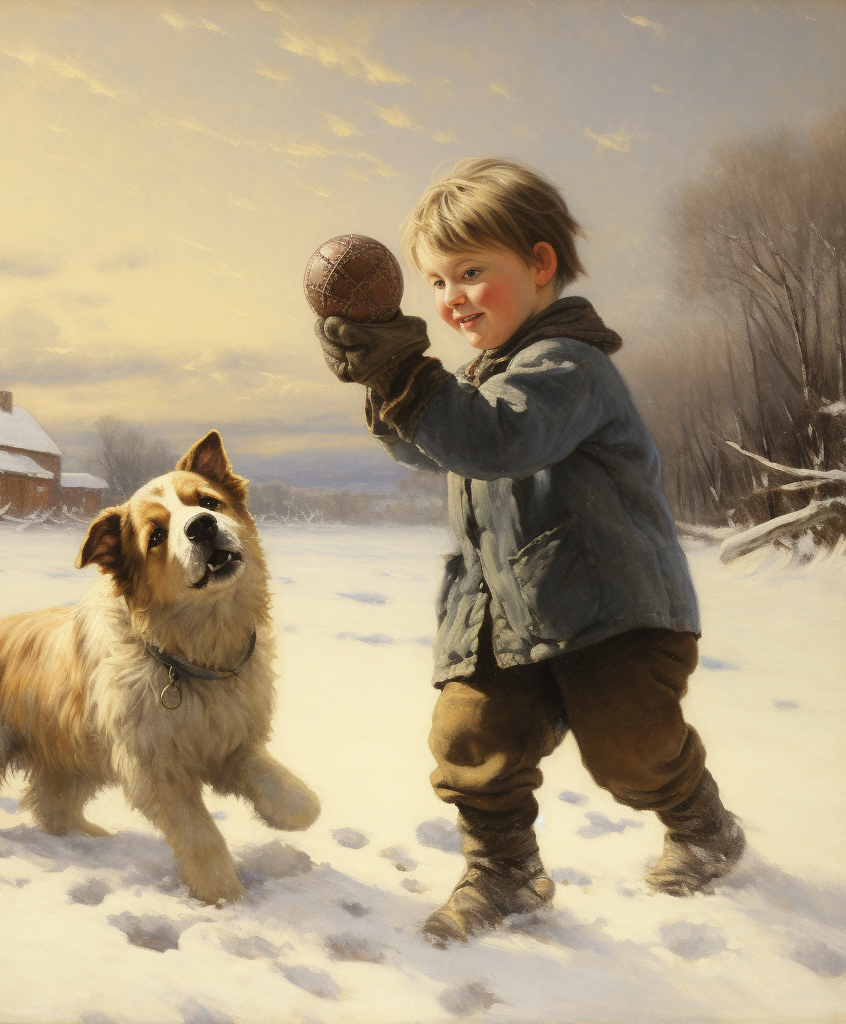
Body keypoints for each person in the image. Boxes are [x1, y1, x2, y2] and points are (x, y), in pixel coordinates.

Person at [314, 157, 745, 946]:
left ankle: (700, 819)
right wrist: (387, 386)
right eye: (436, 283)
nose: (451, 300)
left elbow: (497, 437)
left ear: (541, 264)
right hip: (501, 613)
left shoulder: (569, 366)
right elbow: (436, 445)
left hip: (612, 611)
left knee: (631, 751)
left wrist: (408, 373)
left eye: (471, 272)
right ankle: (505, 870)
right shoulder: (487, 378)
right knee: (468, 737)